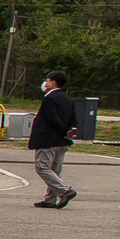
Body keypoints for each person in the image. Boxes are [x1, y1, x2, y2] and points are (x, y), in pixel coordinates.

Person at [29, 70, 79, 209]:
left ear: (53, 82)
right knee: (55, 170)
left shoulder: (50, 98)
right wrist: (68, 132)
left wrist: (63, 130)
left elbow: (52, 118)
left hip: (48, 139)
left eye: (47, 80)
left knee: (42, 167)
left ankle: (65, 190)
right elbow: (74, 119)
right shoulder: (68, 99)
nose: (45, 83)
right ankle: (50, 199)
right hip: (62, 141)